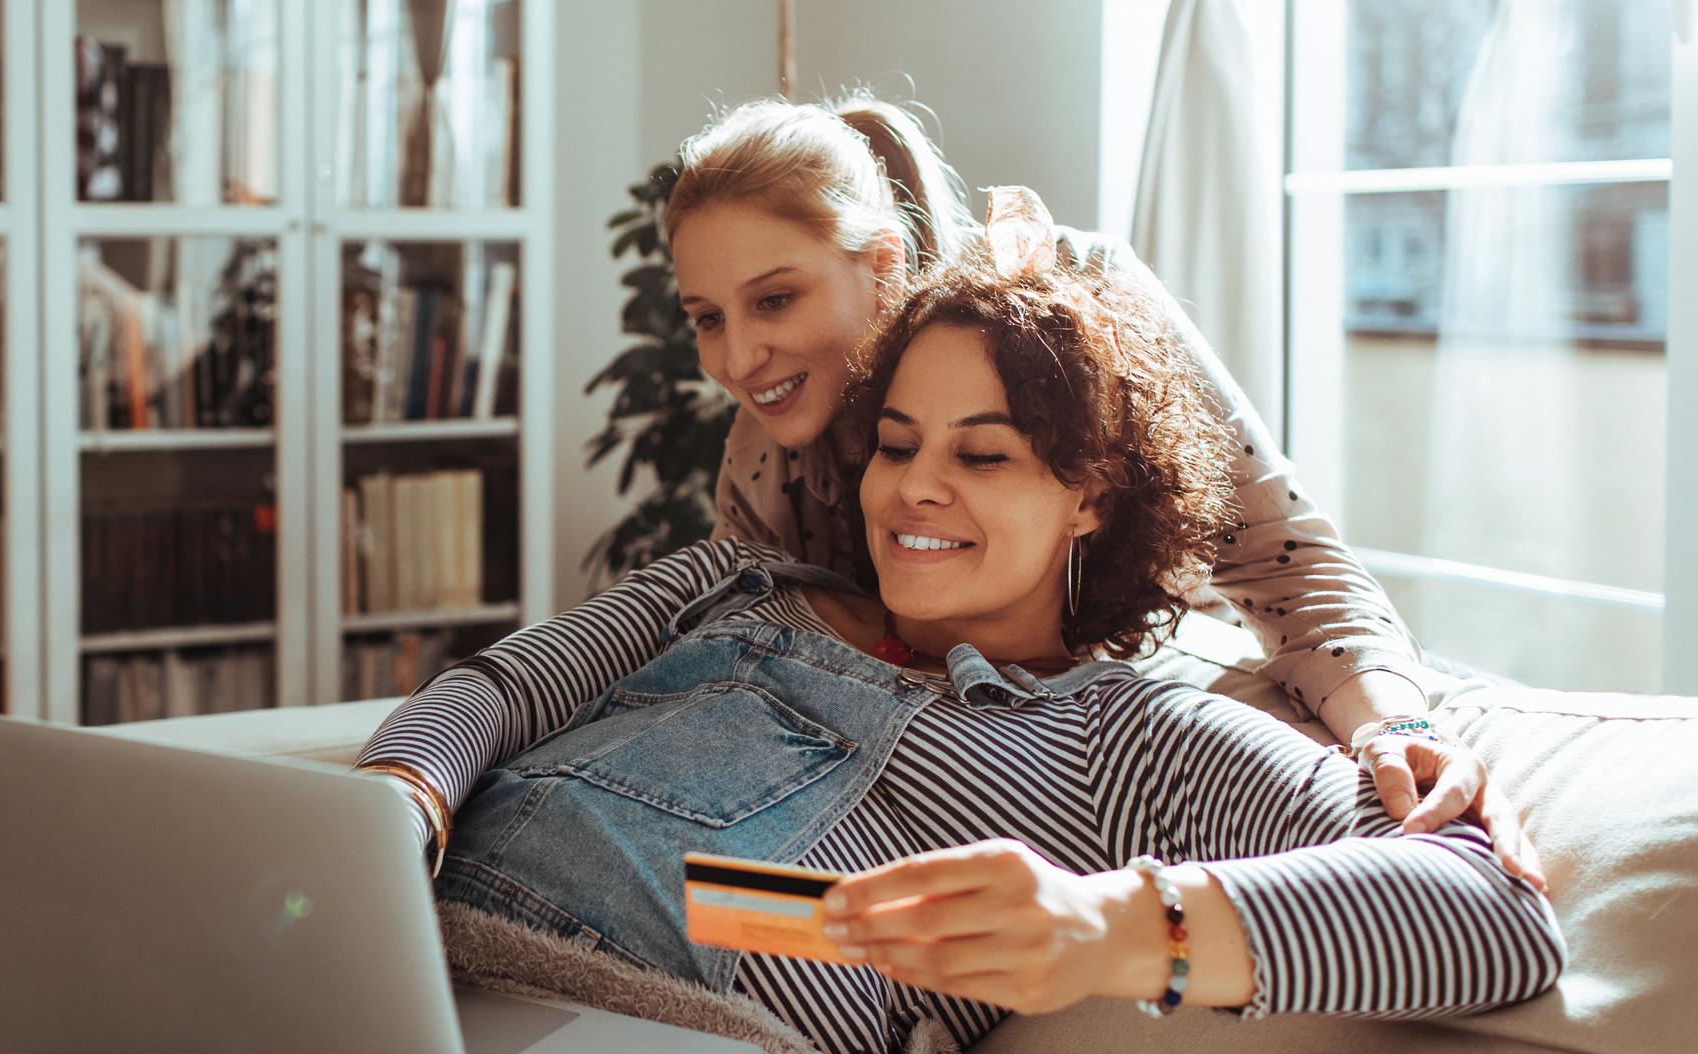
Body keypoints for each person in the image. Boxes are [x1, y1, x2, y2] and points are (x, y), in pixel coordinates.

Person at [354, 214, 1564, 1054]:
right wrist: (389, 807)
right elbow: (500, 688)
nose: (912, 491)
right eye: (892, 442)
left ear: (1091, 493)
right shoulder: (738, 578)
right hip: (386, 994)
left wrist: (1107, 932)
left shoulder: (1123, 735)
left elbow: (1489, 914)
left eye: (980, 455)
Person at [660, 94, 1543, 891]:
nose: (737, 361)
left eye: (774, 300)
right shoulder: (766, 454)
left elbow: (1289, 568)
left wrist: (1393, 730)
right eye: (707, 319)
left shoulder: (1079, 312)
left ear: (884, 264)